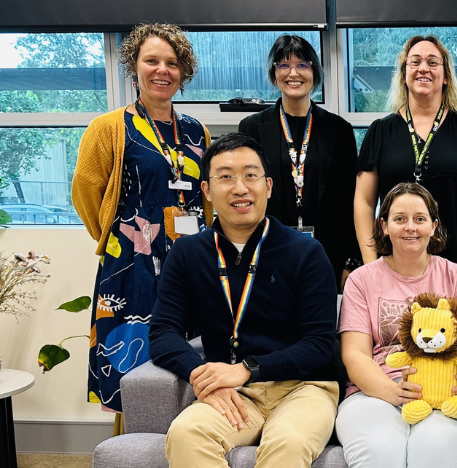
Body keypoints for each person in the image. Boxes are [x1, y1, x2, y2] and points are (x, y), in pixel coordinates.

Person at [148, 133, 339, 467]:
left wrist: (247, 369)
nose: (239, 188)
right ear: (206, 190)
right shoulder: (187, 253)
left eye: (250, 176)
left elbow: (319, 344)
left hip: (303, 388)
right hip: (234, 393)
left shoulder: (307, 252)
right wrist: (203, 376)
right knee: (186, 434)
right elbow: (163, 332)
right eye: (225, 177)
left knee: (289, 443)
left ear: (267, 185)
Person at [72, 23, 211, 414]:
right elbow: (85, 192)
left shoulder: (196, 131)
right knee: (131, 364)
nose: (161, 70)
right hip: (132, 265)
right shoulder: (109, 128)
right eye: (151, 60)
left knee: (189, 363)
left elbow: (206, 196)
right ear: (135, 66)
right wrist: (119, 240)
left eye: (171, 62)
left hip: (190, 262)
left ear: (183, 71)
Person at [337, 182, 457, 468]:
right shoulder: (361, 280)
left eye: (420, 219)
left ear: (433, 226)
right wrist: (391, 392)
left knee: (434, 446)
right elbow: (354, 354)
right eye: (399, 219)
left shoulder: (456, 276)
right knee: (378, 449)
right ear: (384, 226)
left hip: (448, 395)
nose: (410, 227)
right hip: (375, 394)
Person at [354, 35, 457, 283]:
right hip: (393, 267)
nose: (423, 68)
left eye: (433, 62)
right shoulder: (380, 131)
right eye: (415, 62)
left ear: (445, 76)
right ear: (403, 75)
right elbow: (364, 202)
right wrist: (371, 265)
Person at [239, 35, 360, 288]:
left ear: (314, 72)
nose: (293, 73)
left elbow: (351, 198)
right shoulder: (252, 128)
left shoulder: (339, 130)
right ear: (274, 74)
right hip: (267, 253)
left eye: (302, 65)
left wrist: (351, 260)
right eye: (283, 65)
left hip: (328, 253)